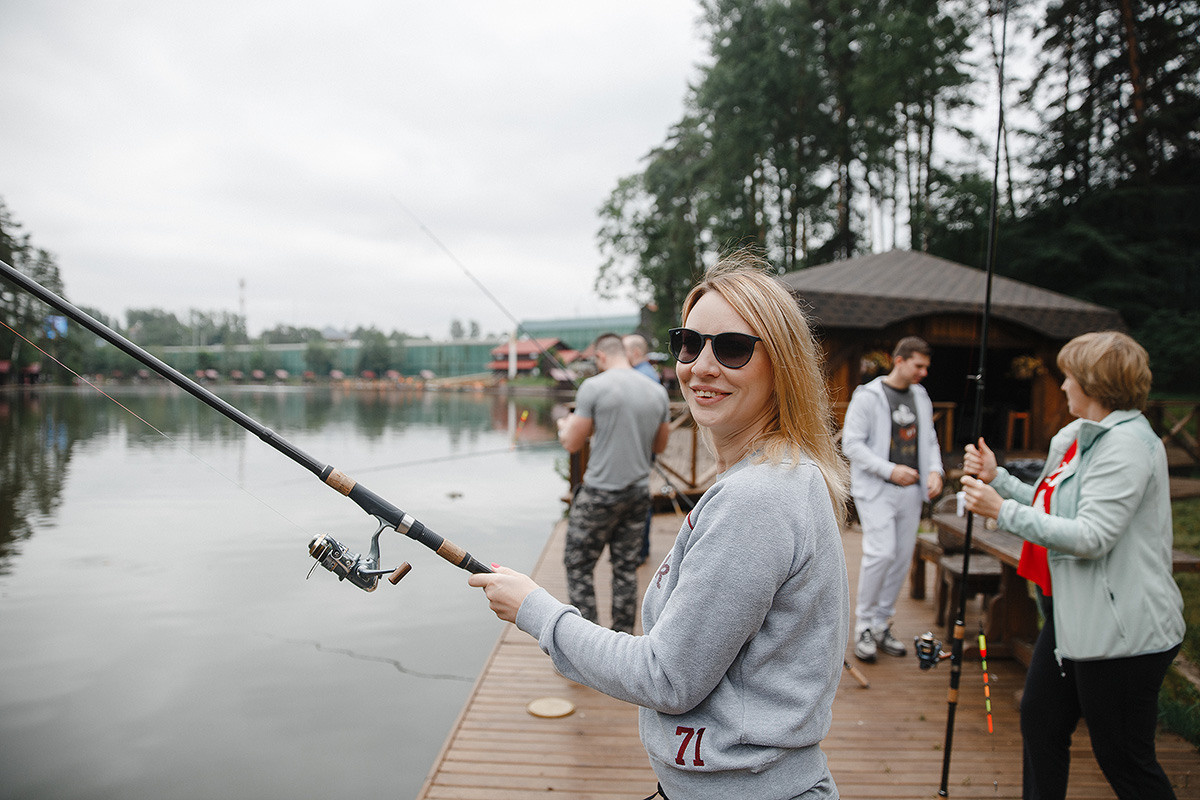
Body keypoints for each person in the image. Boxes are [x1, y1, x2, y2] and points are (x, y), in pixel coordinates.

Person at [470, 251, 851, 800]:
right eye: (689, 343)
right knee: (627, 572)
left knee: (583, 565)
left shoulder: (758, 497)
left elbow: (667, 677)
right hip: (733, 786)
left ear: (783, 364)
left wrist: (537, 611)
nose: (701, 366)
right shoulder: (784, 474)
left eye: (733, 348)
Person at [961, 331, 1184, 800]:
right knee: (1041, 723)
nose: (1061, 386)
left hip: (1121, 633)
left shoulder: (1124, 447)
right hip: (1071, 618)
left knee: (1124, 760)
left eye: (1069, 376)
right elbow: (1055, 508)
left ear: (1094, 383)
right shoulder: (1089, 438)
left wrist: (1000, 511)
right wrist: (997, 479)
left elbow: (1092, 537)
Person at [554, 332, 671, 632]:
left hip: (599, 495)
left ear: (602, 356)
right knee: (625, 570)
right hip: (637, 493)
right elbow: (659, 446)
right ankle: (622, 639)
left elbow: (572, 443)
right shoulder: (656, 391)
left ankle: (586, 645)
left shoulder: (593, 387)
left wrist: (564, 426)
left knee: (578, 565)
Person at [842, 336, 944, 662]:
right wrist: (889, 470)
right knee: (881, 553)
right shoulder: (868, 396)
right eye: (919, 365)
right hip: (877, 489)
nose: (924, 372)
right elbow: (851, 445)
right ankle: (863, 627)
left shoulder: (921, 397)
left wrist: (936, 472)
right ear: (899, 361)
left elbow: (929, 439)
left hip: (912, 491)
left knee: (900, 559)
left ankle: (882, 622)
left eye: (926, 366)